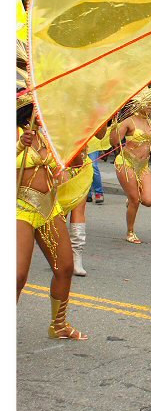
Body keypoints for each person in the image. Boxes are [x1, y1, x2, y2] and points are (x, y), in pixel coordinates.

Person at [17, 101, 88, 339]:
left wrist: (78, 143)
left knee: (65, 267)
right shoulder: (15, 131)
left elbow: (73, 163)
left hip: (48, 207)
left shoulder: (47, 133)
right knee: (16, 275)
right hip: (19, 208)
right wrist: (19, 146)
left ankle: (58, 325)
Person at [110, 103, 151, 243]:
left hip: (143, 166)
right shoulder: (128, 120)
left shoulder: (149, 120)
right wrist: (115, 126)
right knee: (135, 199)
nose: (150, 106)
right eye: (147, 103)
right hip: (126, 163)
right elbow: (113, 142)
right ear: (138, 103)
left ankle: (131, 198)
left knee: (149, 200)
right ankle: (130, 231)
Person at [56, 147, 93, 277]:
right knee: (60, 210)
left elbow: (100, 135)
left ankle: (77, 258)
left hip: (83, 165)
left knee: (79, 207)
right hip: (62, 161)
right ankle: (58, 255)